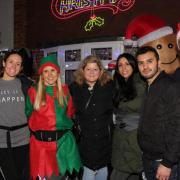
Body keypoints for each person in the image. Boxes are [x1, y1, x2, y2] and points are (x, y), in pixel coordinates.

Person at [25, 55, 82, 180]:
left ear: (57, 72)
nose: (50, 75)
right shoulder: (33, 92)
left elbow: (70, 113)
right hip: (41, 146)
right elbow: (28, 113)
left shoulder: (65, 91)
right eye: (46, 71)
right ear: (41, 74)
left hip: (63, 144)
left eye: (53, 70)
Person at [136, 46, 180, 180]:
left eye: (150, 61)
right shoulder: (148, 86)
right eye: (141, 63)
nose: (145, 66)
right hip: (148, 158)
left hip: (164, 162)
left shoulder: (170, 86)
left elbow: (178, 126)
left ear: (159, 62)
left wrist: (167, 163)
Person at [69, 55, 114, 180]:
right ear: (82, 71)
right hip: (84, 144)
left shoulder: (109, 86)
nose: (92, 72)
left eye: (95, 69)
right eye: (88, 69)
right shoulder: (74, 88)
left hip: (104, 143)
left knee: (103, 175)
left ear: (101, 71)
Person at [110, 53, 145, 180]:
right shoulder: (119, 84)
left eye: (127, 64)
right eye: (120, 65)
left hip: (134, 138)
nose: (124, 68)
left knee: (119, 174)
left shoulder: (140, 83)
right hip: (121, 137)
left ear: (134, 65)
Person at [0, 51, 31, 180]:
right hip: (1, 141)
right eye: (11, 62)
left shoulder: (26, 85)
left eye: (18, 64)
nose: (14, 66)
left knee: (22, 175)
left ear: (21, 68)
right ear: (3, 63)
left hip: (23, 139)